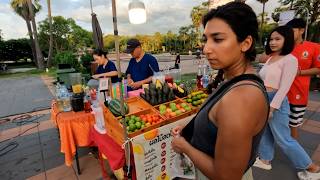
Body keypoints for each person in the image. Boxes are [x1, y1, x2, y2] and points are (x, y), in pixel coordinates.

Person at [171, 2, 269, 179]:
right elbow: (218, 124)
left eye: (218, 39)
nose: (206, 49)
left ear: (245, 43)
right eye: (206, 39)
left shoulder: (240, 99)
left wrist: (184, 147)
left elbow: (226, 176)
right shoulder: (234, 80)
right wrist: (190, 129)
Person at [253, 25, 320, 180]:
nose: (273, 42)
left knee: (283, 138)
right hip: (264, 97)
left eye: (277, 39)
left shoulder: (290, 60)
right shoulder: (271, 58)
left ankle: (312, 167)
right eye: (271, 39)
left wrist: (272, 107)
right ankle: (265, 159)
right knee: (264, 131)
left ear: (287, 40)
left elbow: (284, 87)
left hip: (276, 100)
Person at [285, 18, 320, 139]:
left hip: (298, 94)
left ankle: (295, 155)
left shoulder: (313, 47)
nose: (289, 34)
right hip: (279, 93)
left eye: (292, 31)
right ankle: (267, 155)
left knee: (293, 125)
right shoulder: (283, 47)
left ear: (301, 30)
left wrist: (299, 72)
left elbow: (318, 68)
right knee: (273, 124)